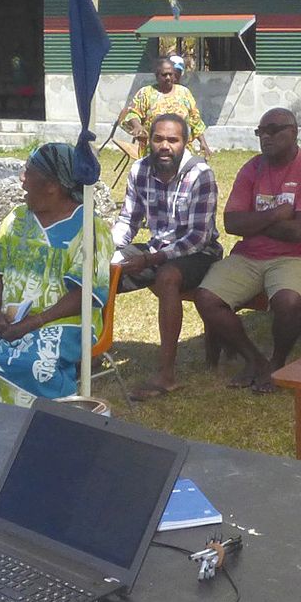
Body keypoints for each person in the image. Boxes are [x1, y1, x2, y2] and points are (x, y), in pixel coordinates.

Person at [0, 143, 108, 406]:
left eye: (28, 172)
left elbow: (86, 293)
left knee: (34, 365)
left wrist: (35, 322)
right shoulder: (18, 218)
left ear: (52, 185)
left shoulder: (90, 227)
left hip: (63, 322)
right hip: (8, 319)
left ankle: (47, 423)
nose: (22, 179)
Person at [192, 107, 301, 392]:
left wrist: (254, 222)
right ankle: (255, 359)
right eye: (261, 132)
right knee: (207, 298)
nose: (266, 137)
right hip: (250, 254)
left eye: (273, 130)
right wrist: (275, 215)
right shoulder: (252, 168)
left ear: (294, 132)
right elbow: (232, 222)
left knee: (288, 302)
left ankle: (278, 362)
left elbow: (298, 232)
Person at [111, 112, 221, 400]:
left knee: (168, 276)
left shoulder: (200, 175)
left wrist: (151, 260)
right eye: (158, 138)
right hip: (157, 247)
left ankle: (167, 375)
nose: (164, 146)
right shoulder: (139, 170)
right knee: (100, 269)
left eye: (173, 140)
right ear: (149, 140)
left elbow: (198, 238)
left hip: (199, 253)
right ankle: (89, 352)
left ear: (185, 143)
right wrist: (111, 250)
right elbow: (128, 219)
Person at [120, 56, 209, 156]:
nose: (168, 77)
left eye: (170, 74)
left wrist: (203, 142)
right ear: (157, 76)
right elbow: (132, 114)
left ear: (175, 76)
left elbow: (195, 119)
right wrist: (138, 126)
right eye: (164, 75)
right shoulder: (146, 93)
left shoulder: (184, 93)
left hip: (182, 150)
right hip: (154, 151)